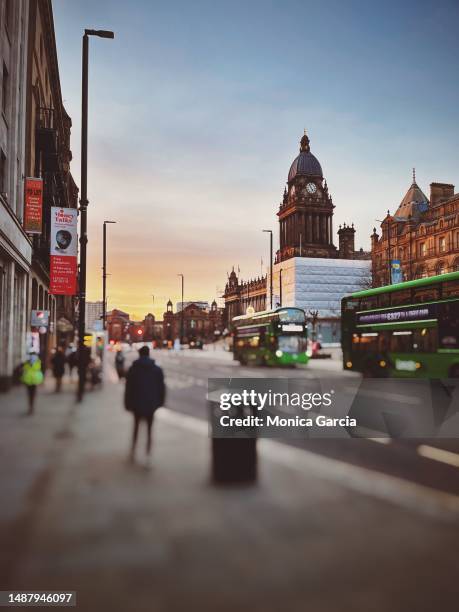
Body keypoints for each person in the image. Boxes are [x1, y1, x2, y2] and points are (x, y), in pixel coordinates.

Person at [124, 345, 165, 467]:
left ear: (140, 354)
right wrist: (160, 402)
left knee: (136, 428)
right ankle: (148, 455)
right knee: (149, 430)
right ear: (148, 354)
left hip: (136, 403)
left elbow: (128, 389)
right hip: (151, 404)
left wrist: (127, 403)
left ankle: (133, 451)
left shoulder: (133, 369)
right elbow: (161, 388)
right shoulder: (157, 370)